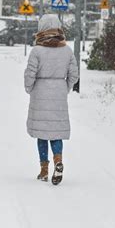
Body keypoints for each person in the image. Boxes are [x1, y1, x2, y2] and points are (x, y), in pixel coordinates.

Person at [24, 14, 79, 185]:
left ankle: (44, 170)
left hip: (40, 93)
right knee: (56, 133)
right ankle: (58, 160)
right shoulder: (67, 51)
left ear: (41, 29)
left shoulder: (37, 51)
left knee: (41, 134)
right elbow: (74, 75)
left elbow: (30, 74)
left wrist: (29, 88)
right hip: (59, 94)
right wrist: (65, 88)